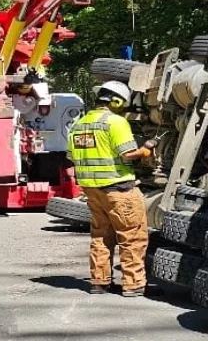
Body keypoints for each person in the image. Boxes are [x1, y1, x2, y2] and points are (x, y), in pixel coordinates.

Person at [67, 80, 154, 297]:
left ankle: (99, 282)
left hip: (92, 191)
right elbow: (128, 154)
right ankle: (133, 285)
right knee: (132, 237)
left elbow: (71, 157)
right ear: (116, 102)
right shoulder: (115, 122)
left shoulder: (79, 124)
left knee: (101, 236)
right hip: (119, 189)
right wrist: (145, 150)